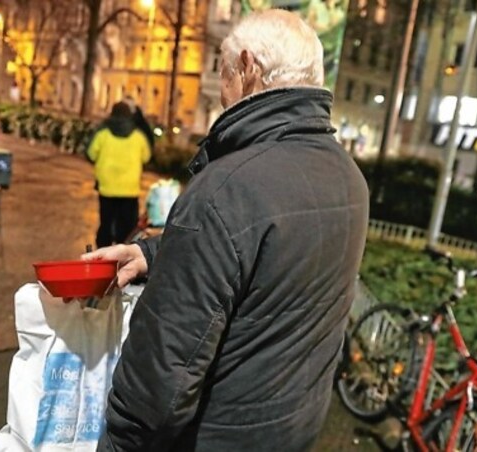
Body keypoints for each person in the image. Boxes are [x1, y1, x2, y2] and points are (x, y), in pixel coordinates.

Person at [85, 9, 369, 451]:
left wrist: (118, 442)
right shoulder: (347, 176)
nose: (221, 93)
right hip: (293, 429)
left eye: (222, 70)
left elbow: (162, 383)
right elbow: (273, 262)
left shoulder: (225, 189)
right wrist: (157, 254)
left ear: (248, 68)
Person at [87, 101, 151, 248]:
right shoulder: (138, 137)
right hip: (130, 189)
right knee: (127, 226)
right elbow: (146, 157)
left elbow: (91, 154)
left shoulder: (102, 134)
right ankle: (123, 254)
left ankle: (104, 254)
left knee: (106, 222)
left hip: (107, 187)